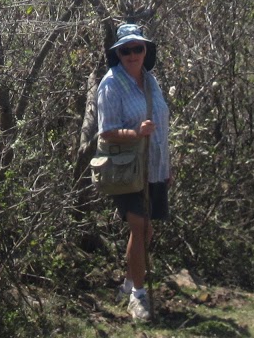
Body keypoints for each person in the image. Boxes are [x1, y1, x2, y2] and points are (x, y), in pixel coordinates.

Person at [96, 21, 172, 323]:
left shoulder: (151, 81)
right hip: (127, 169)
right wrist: (136, 133)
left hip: (155, 166)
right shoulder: (110, 84)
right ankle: (138, 297)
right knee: (139, 227)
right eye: (125, 50)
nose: (132, 55)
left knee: (145, 229)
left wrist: (167, 166)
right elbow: (106, 132)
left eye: (137, 48)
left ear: (145, 50)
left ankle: (128, 284)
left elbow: (161, 125)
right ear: (118, 53)